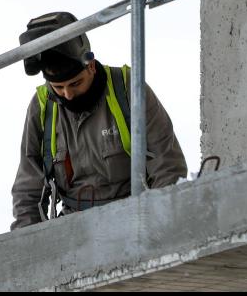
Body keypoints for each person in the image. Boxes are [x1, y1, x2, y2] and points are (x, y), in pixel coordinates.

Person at [11, 12, 188, 229]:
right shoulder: (42, 106)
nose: (67, 94)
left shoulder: (128, 87)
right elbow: (28, 186)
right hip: (73, 228)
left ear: (91, 66)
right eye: (58, 87)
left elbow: (167, 166)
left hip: (134, 219)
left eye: (75, 84)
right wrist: (27, 243)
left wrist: (159, 225)